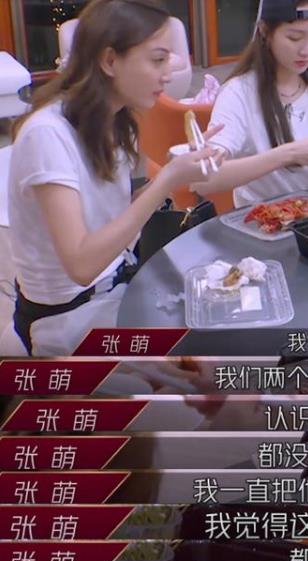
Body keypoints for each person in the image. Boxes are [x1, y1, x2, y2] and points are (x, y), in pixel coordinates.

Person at [7, 0, 221, 356]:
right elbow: (81, 265)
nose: (168, 74)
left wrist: (177, 170)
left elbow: (114, 216)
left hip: (119, 285)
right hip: (66, 318)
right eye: (157, 60)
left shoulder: (116, 120)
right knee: (202, 375)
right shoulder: (47, 134)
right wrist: (167, 180)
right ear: (109, 61)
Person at [203, 0, 308, 206]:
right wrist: (288, 154)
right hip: (262, 216)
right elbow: (206, 180)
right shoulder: (237, 93)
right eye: (294, 38)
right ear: (264, 31)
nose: (307, 50)